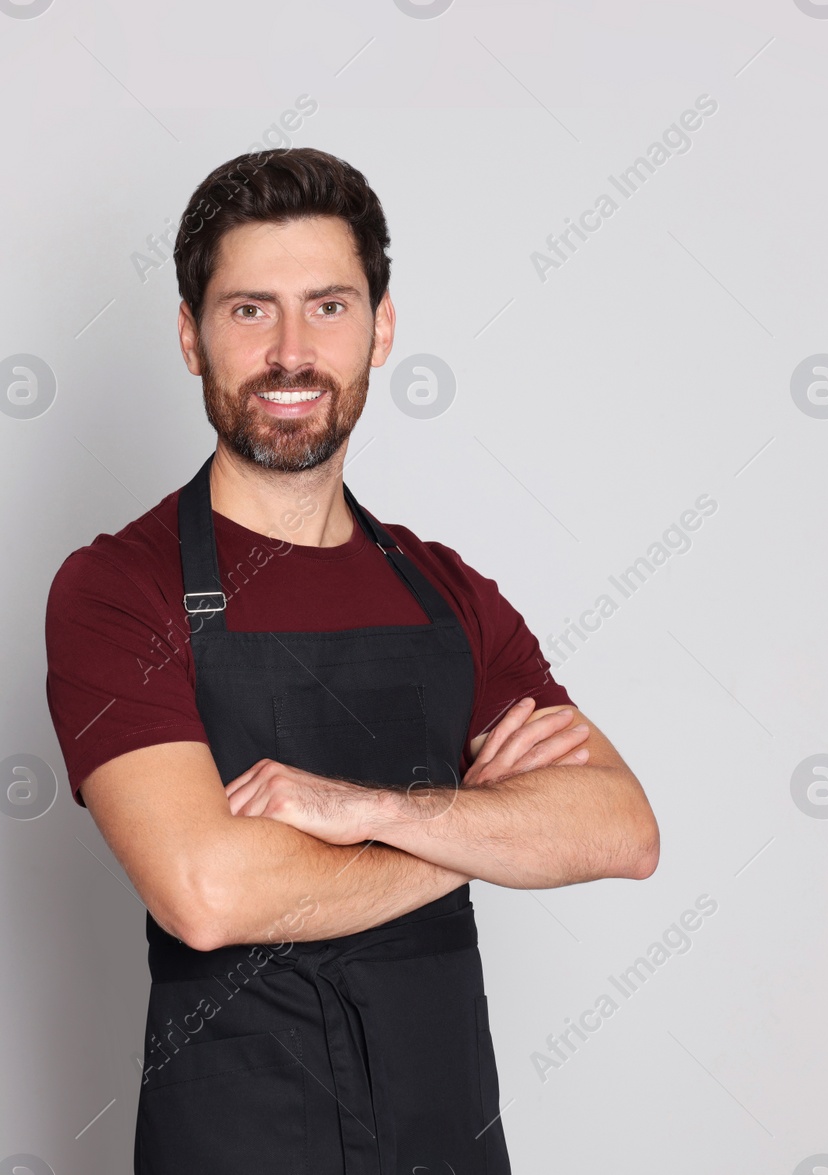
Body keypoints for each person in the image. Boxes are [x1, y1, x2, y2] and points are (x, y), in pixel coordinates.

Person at [44, 147, 659, 1174]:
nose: (291, 351)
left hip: (446, 1132)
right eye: (249, 310)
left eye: (327, 306)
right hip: (239, 1142)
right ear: (191, 337)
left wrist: (369, 806)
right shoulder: (118, 587)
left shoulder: (446, 588)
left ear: (380, 329)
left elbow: (619, 829)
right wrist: (472, 825)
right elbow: (205, 889)